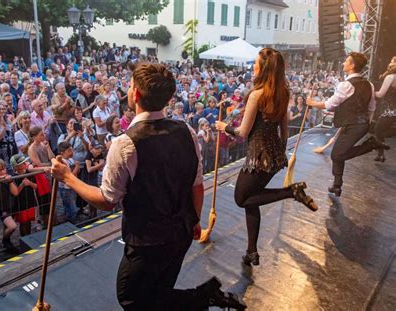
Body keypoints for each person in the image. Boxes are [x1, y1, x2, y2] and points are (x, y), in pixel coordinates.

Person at [52, 63, 246, 310]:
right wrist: (195, 219)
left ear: (136, 95)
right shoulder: (186, 131)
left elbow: (108, 200)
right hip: (182, 230)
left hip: (148, 241)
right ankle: (206, 296)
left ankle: (205, 295)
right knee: (160, 290)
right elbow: (197, 185)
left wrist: (68, 177)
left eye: (131, 86)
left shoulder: (124, 144)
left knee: (130, 297)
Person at [216, 48, 318, 267]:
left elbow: (242, 133)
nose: (253, 66)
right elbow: (284, 130)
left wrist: (225, 127)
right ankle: (252, 251)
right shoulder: (283, 92)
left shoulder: (257, 95)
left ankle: (291, 191)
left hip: (258, 157)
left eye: (255, 63)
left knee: (241, 199)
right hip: (274, 156)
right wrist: (280, 154)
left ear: (263, 68)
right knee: (252, 201)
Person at [307, 52, 389, 196]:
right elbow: (372, 108)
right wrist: (367, 124)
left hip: (354, 126)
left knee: (337, 155)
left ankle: (371, 145)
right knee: (340, 153)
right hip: (358, 125)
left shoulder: (346, 85)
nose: (344, 63)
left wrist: (312, 103)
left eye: (346, 61)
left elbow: (330, 105)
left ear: (352, 66)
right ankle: (337, 185)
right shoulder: (368, 84)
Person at [373, 56, 396, 162]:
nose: (390, 63)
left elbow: (380, 94)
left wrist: (371, 92)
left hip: (390, 111)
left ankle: (381, 154)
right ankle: (380, 154)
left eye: (392, 61)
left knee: (378, 130)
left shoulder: (391, 77)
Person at [57, 141, 81, 223]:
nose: (72, 152)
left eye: (72, 150)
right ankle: (70, 223)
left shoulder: (70, 159)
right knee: (71, 208)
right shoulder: (63, 162)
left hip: (72, 187)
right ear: (62, 153)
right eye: (69, 151)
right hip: (66, 189)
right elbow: (70, 176)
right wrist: (77, 166)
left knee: (71, 206)